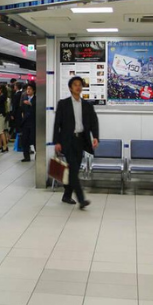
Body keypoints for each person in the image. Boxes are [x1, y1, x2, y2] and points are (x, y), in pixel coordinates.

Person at [53, 76, 97, 209]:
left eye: (80, 85)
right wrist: (56, 141)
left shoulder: (87, 105)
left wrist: (95, 137)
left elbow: (94, 122)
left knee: (74, 170)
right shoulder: (63, 104)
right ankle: (81, 199)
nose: (78, 87)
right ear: (70, 88)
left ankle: (66, 195)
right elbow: (57, 124)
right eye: (75, 85)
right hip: (67, 141)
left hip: (81, 140)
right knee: (73, 168)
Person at [21, 82, 37, 162]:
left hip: (34, 122)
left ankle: (38, 154)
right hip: (25, 122)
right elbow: (22, 109)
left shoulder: (36, 99)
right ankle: (26, 157)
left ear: (34, 90)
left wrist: (31, 104)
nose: (28, 90)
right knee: (25, 140)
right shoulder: (24, 98)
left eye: (30, 89)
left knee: (34, 140)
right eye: (27, 89)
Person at [0, 83, 9, 153]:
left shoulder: (3, 96)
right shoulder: (1, 95)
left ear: (1, 89)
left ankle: (5, 146)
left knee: (1, 131)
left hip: (1, 115)